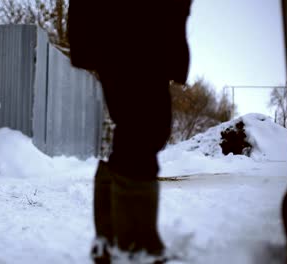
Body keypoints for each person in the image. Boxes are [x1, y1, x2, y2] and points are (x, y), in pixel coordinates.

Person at [67, 1, 192, 263]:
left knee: (136, 131)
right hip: (130, 24)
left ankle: (112, 239)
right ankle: (132, 244)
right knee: (145, 130)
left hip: (127, 27)